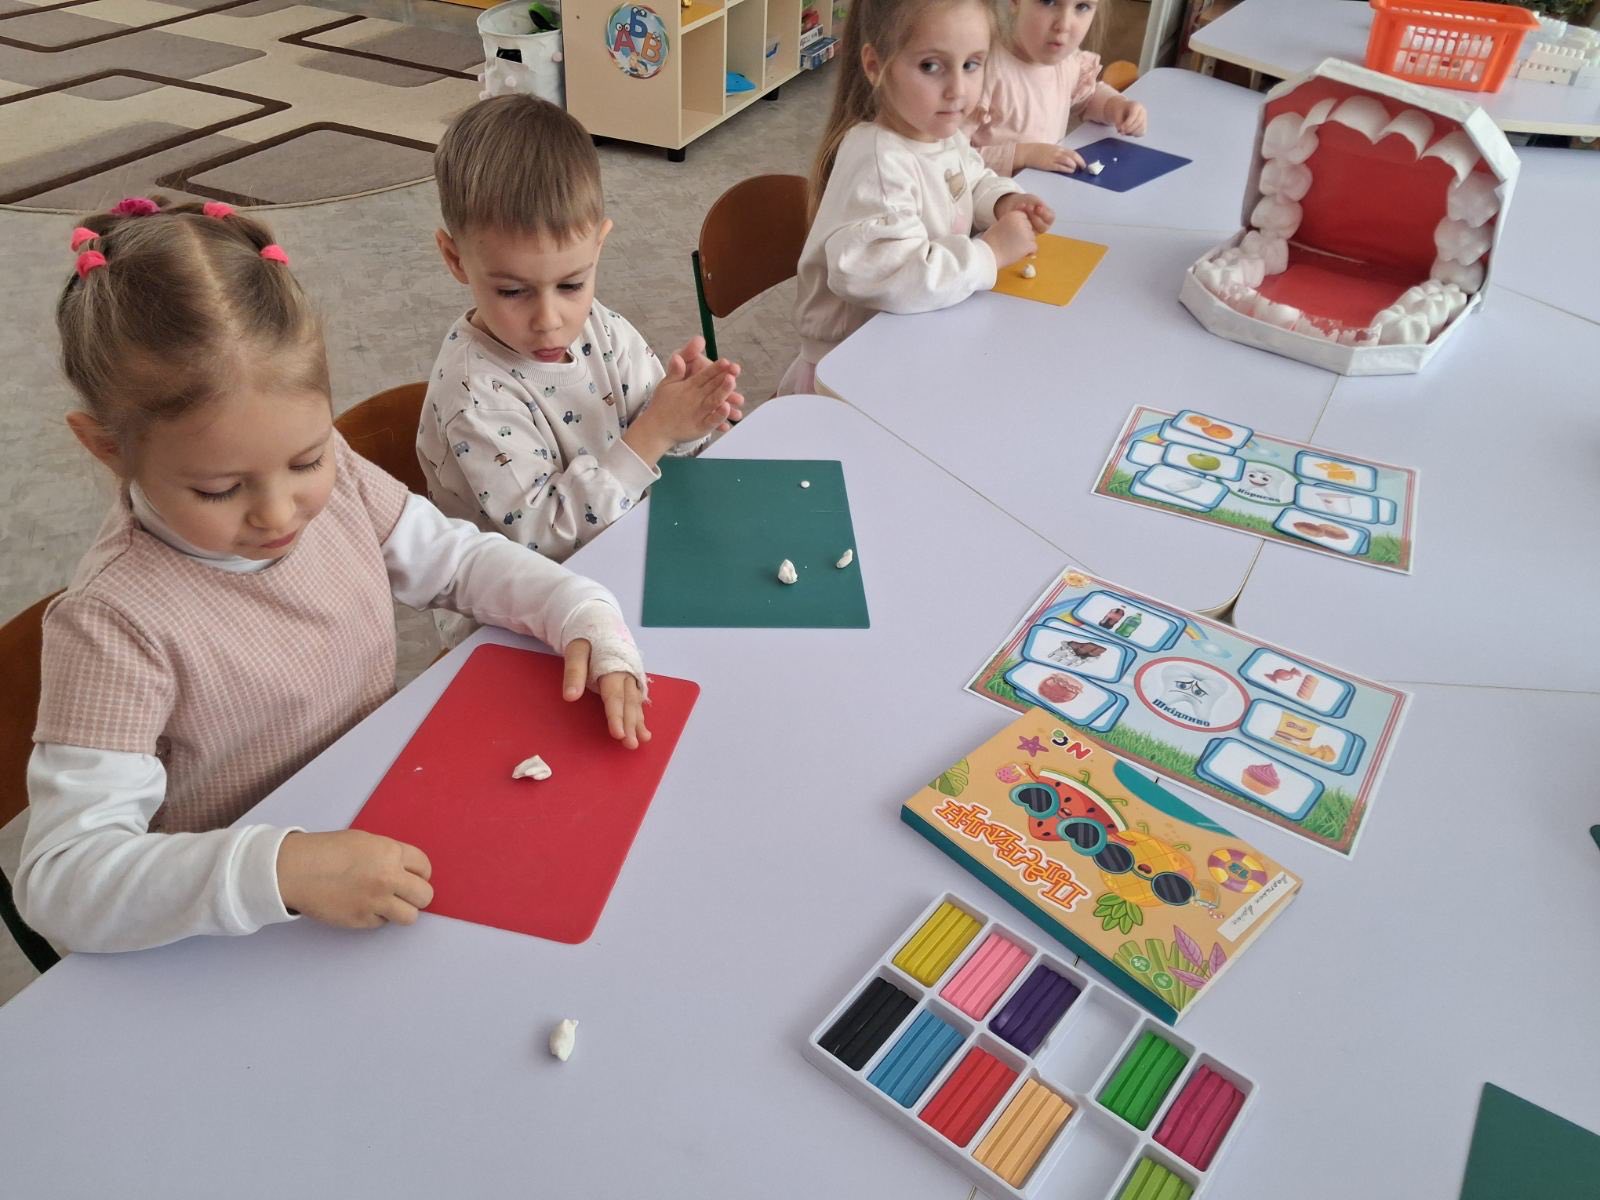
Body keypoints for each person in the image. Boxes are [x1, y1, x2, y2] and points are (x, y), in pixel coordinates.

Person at [19, 198, 650, 954]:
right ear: (108, 448)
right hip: (242, 926)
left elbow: (458, 561)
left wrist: (576, 606)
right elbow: (62, 881)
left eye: (307, 458)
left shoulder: (342, 479)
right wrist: (281, 869)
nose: (279, 512)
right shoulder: (112, 624)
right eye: (220, 489)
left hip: (380, 816)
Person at [419, 96, 742, 569]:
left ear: (598, 246)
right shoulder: (473, 397)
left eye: (571, 284)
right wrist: (657, 429)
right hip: (527, 592)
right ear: (455, 259)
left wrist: (689, 417)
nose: (550, 320)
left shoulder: (601, 328)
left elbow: (654, 445)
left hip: (623, 545)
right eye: (512, 291)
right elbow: (547, 537)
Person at [781, 0, 1055, 393]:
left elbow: (969, 179)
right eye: (931, 66)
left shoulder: (937, 132)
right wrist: (989, 255)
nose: (957, 90)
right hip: (850, 370)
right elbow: (896, 275)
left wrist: (1001, 202)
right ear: (875, 66)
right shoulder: (880, 162)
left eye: (971, 64)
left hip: (909, 339)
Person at [968, 0, 1148, 177]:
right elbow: (956, 160)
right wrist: (1023, 155)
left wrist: (1116, 106)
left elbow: (1088, 97)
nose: (1064, 25)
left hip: (1046, 187)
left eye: (1082, 6)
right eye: (1049, 2)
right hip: (993, 194)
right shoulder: (979, 73)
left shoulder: (1068, 62)